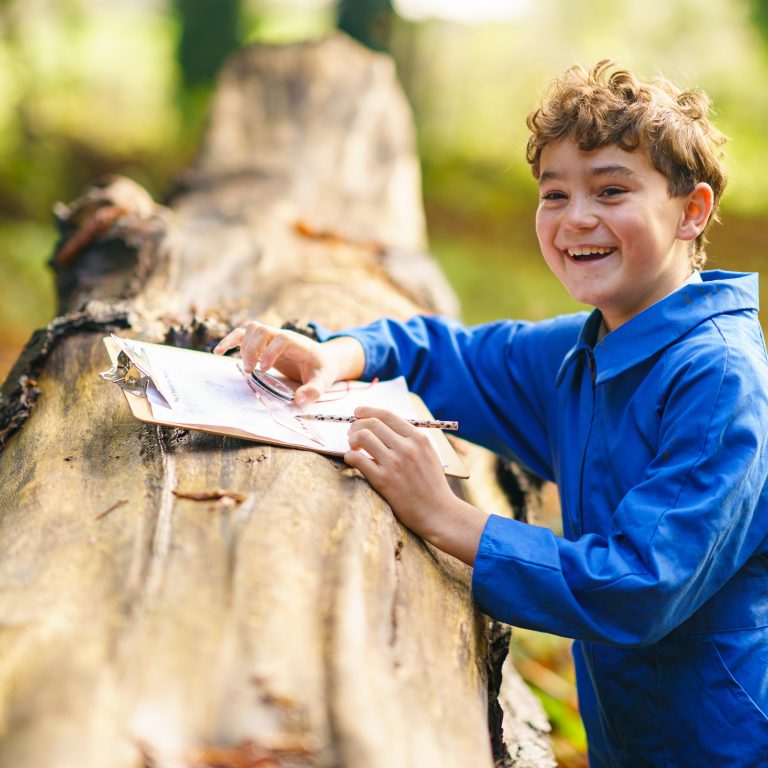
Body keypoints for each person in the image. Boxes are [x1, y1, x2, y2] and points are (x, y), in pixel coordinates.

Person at [215, 61, 768, 767]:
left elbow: (641, 585)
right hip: (627, 738)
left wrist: (446, 517)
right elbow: (458, 357)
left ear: (691, 211)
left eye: (611, 190)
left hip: (723, 745)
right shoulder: (590, 347)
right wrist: (340, 353)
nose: (576, 219)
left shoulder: (717, 379)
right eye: (555, 194)